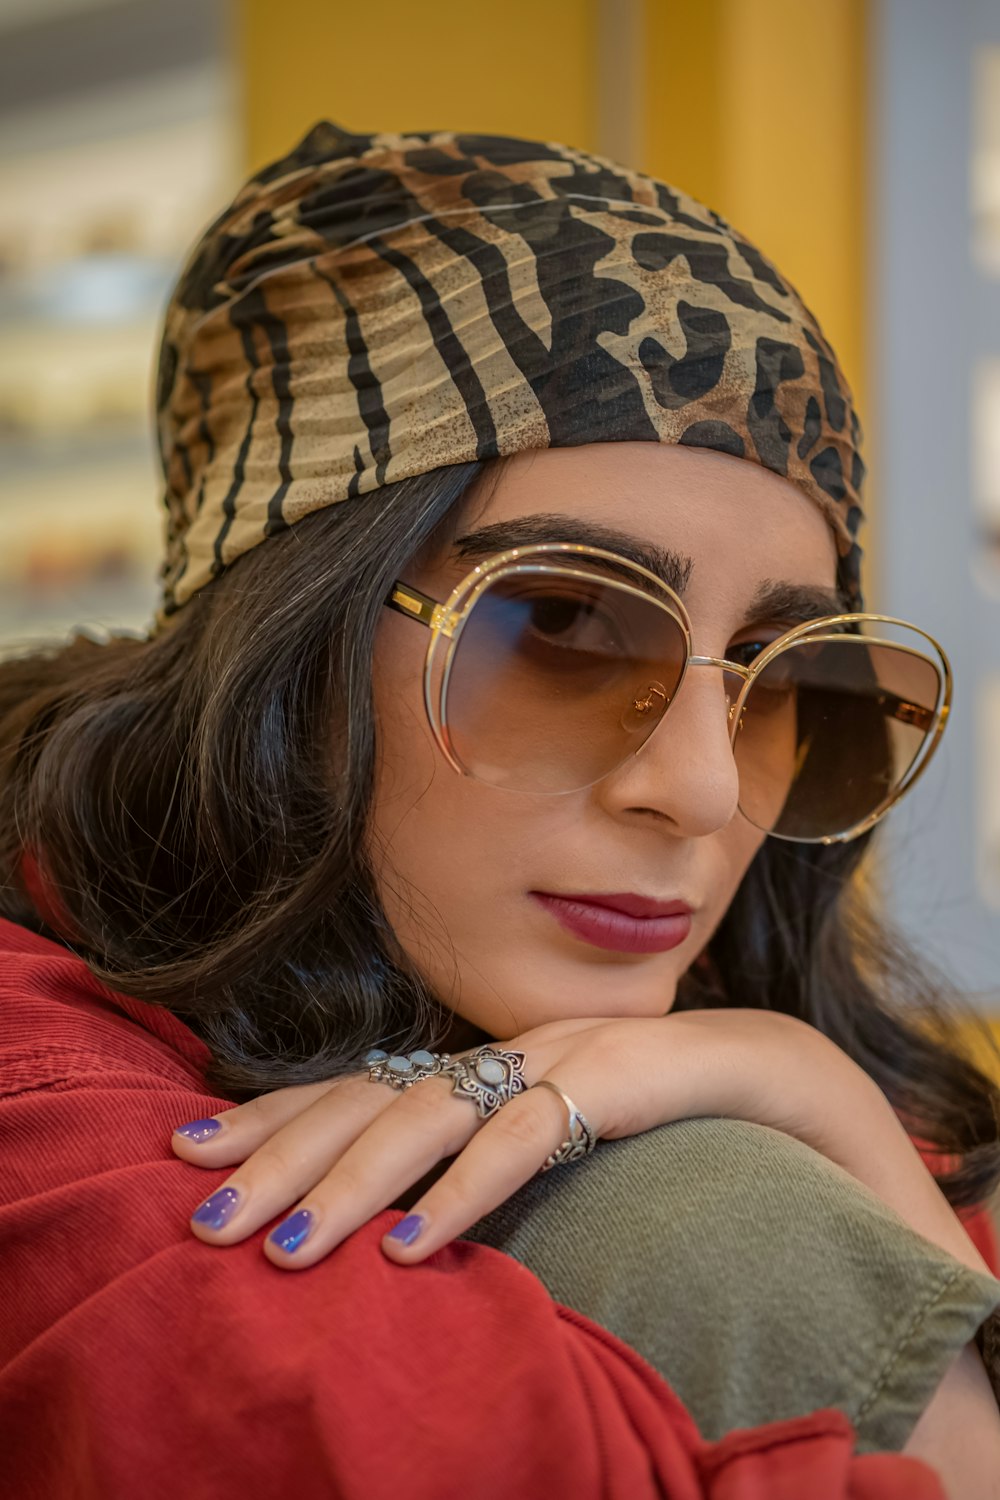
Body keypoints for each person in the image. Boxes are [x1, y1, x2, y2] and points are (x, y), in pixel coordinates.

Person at [1, 121, 999, 1500]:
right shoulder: (42, 1095)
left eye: (784, 679)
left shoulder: (795, 1062)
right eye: (561, 625)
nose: (702, 789)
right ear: (289, 655)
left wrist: (808, 1086)